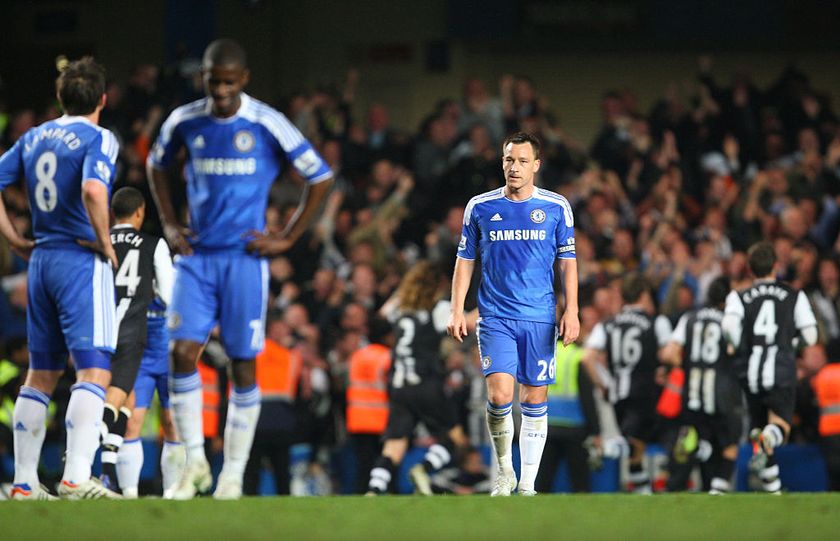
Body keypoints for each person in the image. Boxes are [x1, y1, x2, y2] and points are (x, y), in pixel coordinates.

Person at [147, 38, 333, 500]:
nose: (222, 90)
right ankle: (193, 463)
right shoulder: (185, 120)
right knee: (181, 354)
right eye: (215, 81)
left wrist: (288, 236)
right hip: (196, 258)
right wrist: (170, 223)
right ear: (204, 78)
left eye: (230, 82)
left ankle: (232, 473)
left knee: (243, 364)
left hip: (245, 261)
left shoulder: (267, 122)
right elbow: (155, 165)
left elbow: (321, 176)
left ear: (244, 79)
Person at [0, 57, 120, 499]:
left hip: (41, 261)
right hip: (79, 260)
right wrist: (106, 243)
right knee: (93, 369)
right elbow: (93, 190)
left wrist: (13, 235)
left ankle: (25, 483)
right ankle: (75, 478)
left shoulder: (34, 136)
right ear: (103, 100)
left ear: (59, 97)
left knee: (41, 372)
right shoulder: (100, 137)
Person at [447, 131, 579, 497]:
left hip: (540, 316)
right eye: (509, 160)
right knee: (501, 395)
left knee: (534, 398)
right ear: (501, 162)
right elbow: (465, 259)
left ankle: (527, 483)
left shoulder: (556, 207)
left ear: (536, 165)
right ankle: (505, 470)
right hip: (496, 317)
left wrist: (573, 310)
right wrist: (457, 308)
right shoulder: (481, 207)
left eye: (522, 161)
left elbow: (568, 263)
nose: (514, 167)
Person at [366, 261, 472, 496]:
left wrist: (402, 293)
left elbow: (380, 316)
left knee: (394, 445)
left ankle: (374, 490)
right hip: (426, 383)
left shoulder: (397, 306)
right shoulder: (439, 308)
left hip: (398, 385)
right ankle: (423, 469)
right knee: (456, 440)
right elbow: (466, 323)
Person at [722, 242, 818, 493]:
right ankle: (768, 440)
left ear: (750, 269)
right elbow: (810, 334)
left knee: (759, 427)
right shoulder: (793, 295)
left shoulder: (738, 296)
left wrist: (738, 345)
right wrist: (790, 343)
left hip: (750, 373)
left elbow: (729, 329)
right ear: (776, 266)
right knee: (779, 429)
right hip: (781, 370)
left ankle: (773, 490)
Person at [98, 186, 174, 492]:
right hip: (138, 335)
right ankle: (141, 493)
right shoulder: (153, 245)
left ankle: (120, 485)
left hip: (105, 331)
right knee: (144, 418)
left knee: (127, 409)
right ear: (140, 211)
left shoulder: (100, 242)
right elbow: (170, 295)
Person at [582, 273, 672, 493]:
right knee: (634, 442)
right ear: (643, 295)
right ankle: (609, 447)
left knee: (635, 447)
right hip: (646, 393)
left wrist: (603, 384)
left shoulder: (608, 325)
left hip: (617, 394)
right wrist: (664, 370)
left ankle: (643, 492)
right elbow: (669, 354)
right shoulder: (656, 323)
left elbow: (587, 358)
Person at [660, 276, 742, 494]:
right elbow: (736, 352)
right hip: (721, 395)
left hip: (693, 395)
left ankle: (680, 479)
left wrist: (687, 364)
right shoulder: (729, 320)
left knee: (696, 439)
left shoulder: (690, 317)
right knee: (729, 443)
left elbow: (669, 353)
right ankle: (718, 487)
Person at [116, 296, 184, 499]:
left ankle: (172, 493)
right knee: (131, 422)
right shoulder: (137, 266)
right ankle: (129, 493)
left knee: (172, 423)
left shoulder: (180, 266)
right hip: (140, 356)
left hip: (170, 354)